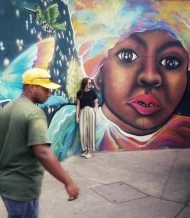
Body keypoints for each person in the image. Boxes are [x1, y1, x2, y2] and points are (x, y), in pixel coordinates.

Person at [68, 0, 190, 151]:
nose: (150, 77)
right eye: (127, 56)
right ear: (98, 73)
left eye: (171, 62)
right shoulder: (65, 133)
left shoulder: (184, 133)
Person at [0, 67, 79, 218]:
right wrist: (68, 182)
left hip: (5, 184)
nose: (49, 93)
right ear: (32, 87)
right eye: (46, 89)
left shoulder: (5, 110)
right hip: (23, 187)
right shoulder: (34, 113)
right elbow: (43, 152)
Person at [76, 77, 98, 158]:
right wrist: (77, 117)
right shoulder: (79, 93)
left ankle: (89, 151)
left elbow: (96, 102)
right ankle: (85, 149)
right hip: (82, 112)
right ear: (85, 84)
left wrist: (95, 110)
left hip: (90, 112)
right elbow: (78, 105)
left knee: (90, 131)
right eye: (89, 83)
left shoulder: (92, 92)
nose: (90, 85)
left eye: (90, 83)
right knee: (83, 132)